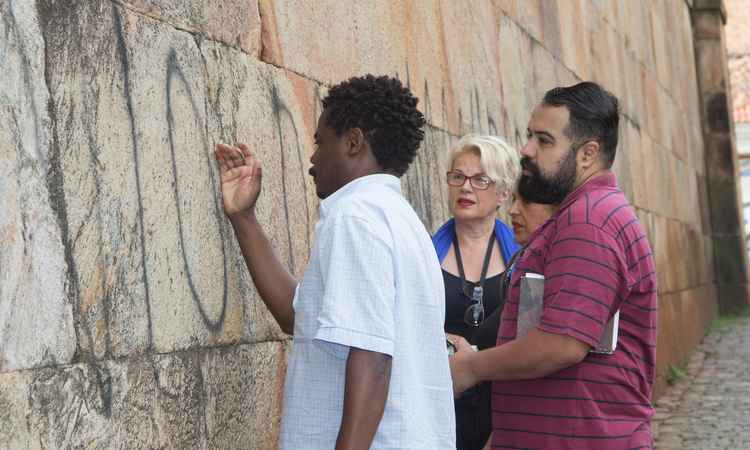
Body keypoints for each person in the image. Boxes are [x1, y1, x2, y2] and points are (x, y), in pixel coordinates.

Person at [214, 75, 455, 449]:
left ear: (354, 142)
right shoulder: (400, 218)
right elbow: (299, 317)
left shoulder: (354, 218)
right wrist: (243, 217)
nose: (313, 159)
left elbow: (373, 356)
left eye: (320, 142)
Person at [449, 82, 657, 449]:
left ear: (587, 153)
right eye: (530, 136)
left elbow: (561, 345)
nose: (526, 150)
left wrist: (469, 368)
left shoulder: (589, 221)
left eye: (544, 141)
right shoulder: (581, 215)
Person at [431, 134, 519, 450]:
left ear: (503, 193)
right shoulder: (425, 255)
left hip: (503, 406)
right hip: (438, 404)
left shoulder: (520, 259)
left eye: (481, 179)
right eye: (458, 176)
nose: (466, 187)